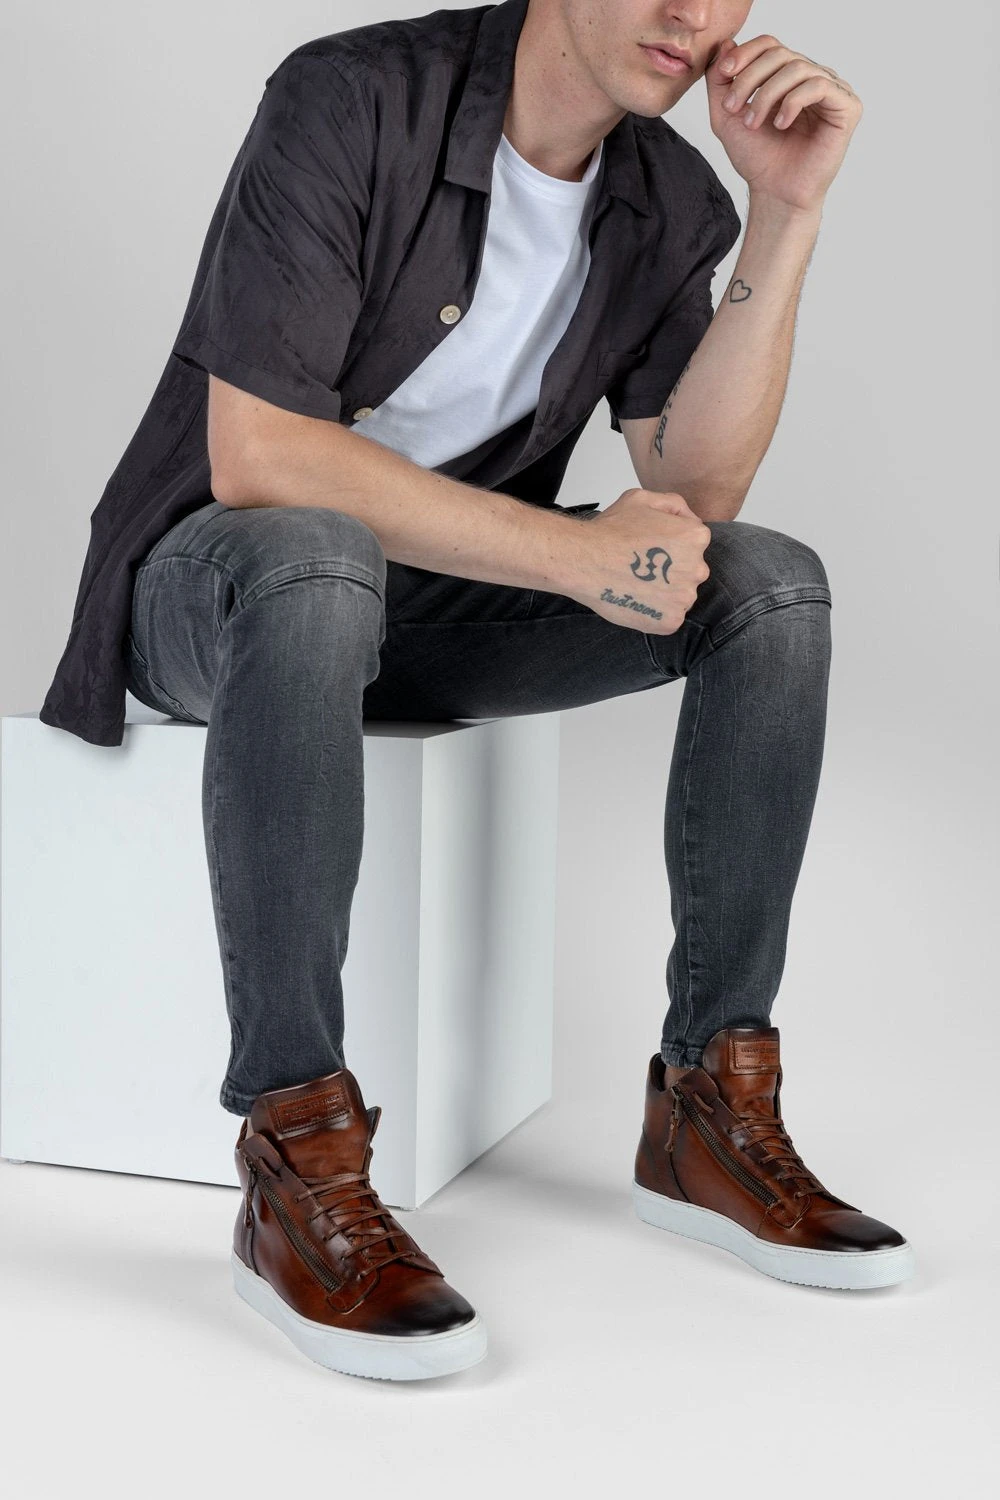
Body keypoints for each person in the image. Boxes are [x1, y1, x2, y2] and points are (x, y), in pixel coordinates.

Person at [38, 0, 914, 1382]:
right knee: (316, 556)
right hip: (217, 587)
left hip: (426, 606)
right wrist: (572, 554)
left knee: (767, 585)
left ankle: (710, 1108)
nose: (695, 15)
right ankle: (297, 1156)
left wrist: (784, 215)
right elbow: (263, 455)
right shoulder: (351, 98)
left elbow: (692, 498)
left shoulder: (666, 197)